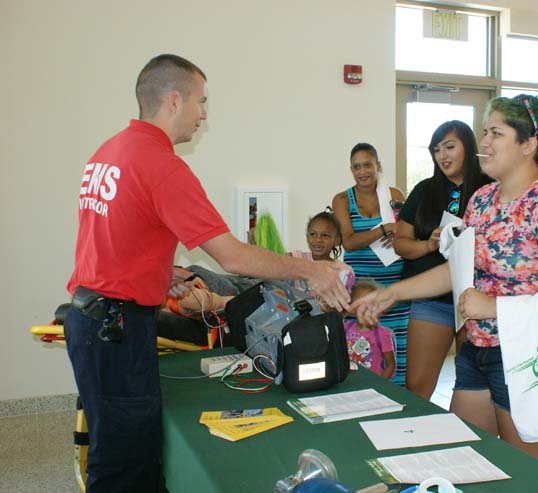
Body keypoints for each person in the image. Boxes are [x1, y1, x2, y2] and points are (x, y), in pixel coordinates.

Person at [64, 54, 351, 492]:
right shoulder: (162, 166)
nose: (204, 113)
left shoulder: (111, 151)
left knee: (115, 448)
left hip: (90, 318)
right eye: (201, 101)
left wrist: (162, 273)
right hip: (116, 329)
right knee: (125, 464)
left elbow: (112, 239)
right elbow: (232, 257)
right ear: (174, 101)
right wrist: (310, 270)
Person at [353, 94, 538, 464]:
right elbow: (459, 270)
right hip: (476, 352)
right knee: (462, 462)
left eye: (496, 133)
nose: (484, 143)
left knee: (523, 478)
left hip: (525, 358)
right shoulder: (481, 200)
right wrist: (391, 293)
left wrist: (491, 306)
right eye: (484, 131)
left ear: (529, 144)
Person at [394, 120, 490, 400]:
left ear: (468, 147)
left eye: (449, 146)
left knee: (472, 386)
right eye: (436, 150)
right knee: (417, 386)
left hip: (477, 301)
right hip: (432, 301)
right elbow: (401, 244)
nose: (443, 156)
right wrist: (429, 244)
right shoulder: (425, 190)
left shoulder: (489, 190)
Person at [332, 143, 410, 385]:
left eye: (367, 165)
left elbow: (407, 234)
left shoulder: (394, 195)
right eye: (357, 167)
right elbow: (350, 242)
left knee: (396, 366)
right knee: (360, 357)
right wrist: (384, 229)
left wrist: (398, 234)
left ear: (378, 165)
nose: (362, 171)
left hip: (394, 294)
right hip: (361, 296)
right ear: (351, 169)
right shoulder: (342, 200)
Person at [344, 279, 396, 380]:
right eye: (363, 303)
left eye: (374, 303)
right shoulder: (345, 328)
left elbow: (391, 365)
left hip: (371, 386)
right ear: (353, 307)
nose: (370, 307)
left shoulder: (383, 334)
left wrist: (379, 385)